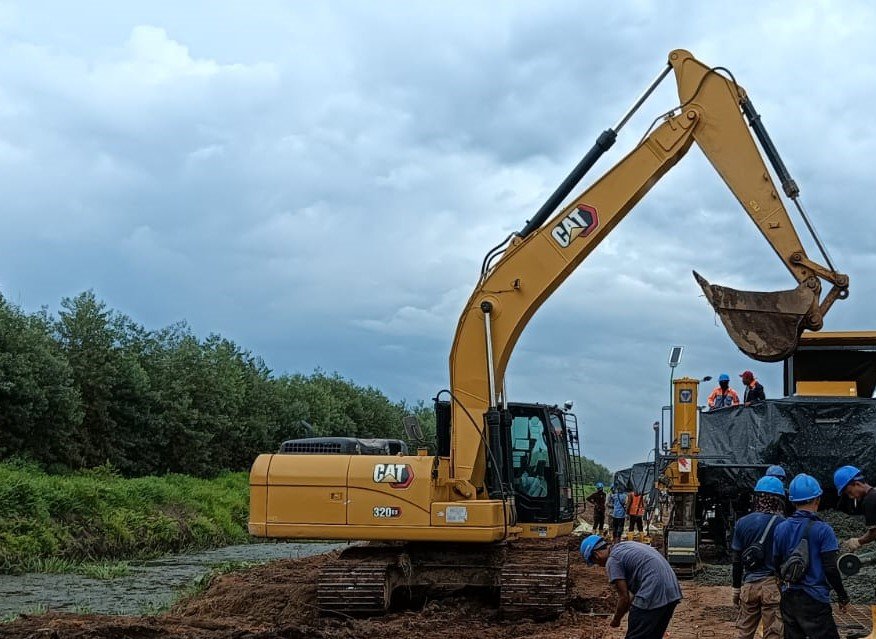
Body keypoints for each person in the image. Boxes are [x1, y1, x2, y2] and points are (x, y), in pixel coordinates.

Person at [772, 474, 849, 639]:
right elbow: (830, 567)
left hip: (789, 597)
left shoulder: (781, 528)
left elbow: (776, 562)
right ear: (817, 499)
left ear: (792, 501)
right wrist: (842, 595)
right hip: (815, 599)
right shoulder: (824, 530)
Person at [580, 534, 682, 638]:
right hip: (672, 591)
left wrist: (616, 619)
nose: (599, 565)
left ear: (596, 555)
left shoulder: (613, 560)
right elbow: (632, 595)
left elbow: (624, 598)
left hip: (653, 590)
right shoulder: (625, 546)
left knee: (635, 634)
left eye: (595, 563)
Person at [730, 476, 786, 639]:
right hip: (772, 587)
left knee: (744, 633)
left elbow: (736, 560)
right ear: (778, 500)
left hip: (749, 587)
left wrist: (736, 588)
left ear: (756, 497)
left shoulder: (742, 523)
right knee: (773, 633)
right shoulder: (782, 524)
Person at [833, 465, 876, 551]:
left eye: (849, 492)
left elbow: (874, 532)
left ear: (857, 484)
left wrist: (858, 541)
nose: (851, 497)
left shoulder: (870, 500)